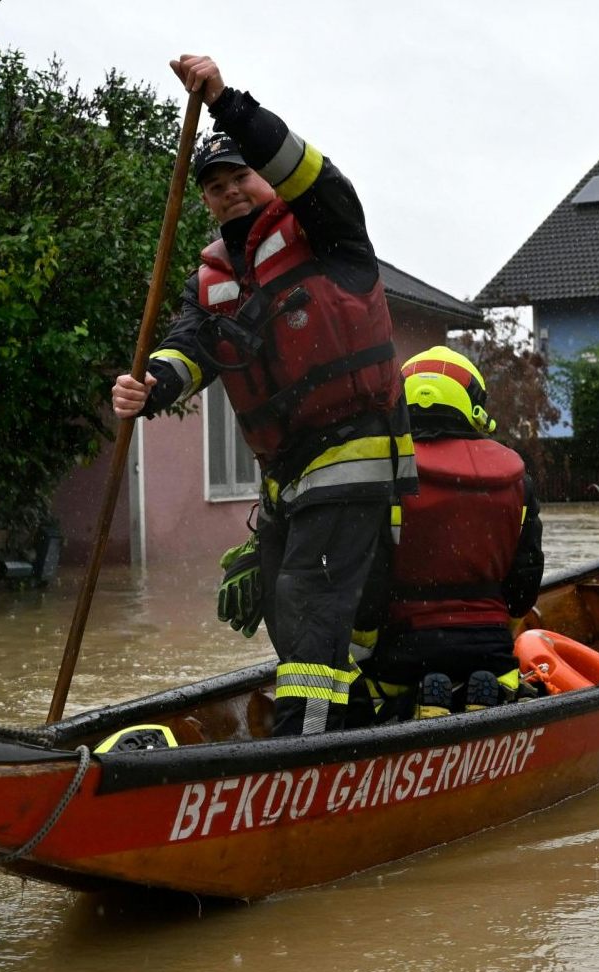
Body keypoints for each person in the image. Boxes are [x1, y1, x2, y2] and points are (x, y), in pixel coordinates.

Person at [112, 55, 416, 737]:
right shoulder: (210, 278)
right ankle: (356, 723)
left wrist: (225, 103)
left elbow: (307, 170)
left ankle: (297, 761)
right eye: (214, 186)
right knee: (298, 615)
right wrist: (149, 385)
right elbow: (190, 347)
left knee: (307, 601)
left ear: (266, 178)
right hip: (285, 475)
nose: (230, 192)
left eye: (240, 176)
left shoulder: (329, 228)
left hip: (354, 452)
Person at [351, 346, 544, 722]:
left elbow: (369, 584)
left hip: (405, 649)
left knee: (372, 697)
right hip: (491, 647)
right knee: (501, 679)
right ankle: (483, 693)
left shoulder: (385, 475)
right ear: (472, 404)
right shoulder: (518, 481)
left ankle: (418, 701)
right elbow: (525, 582)